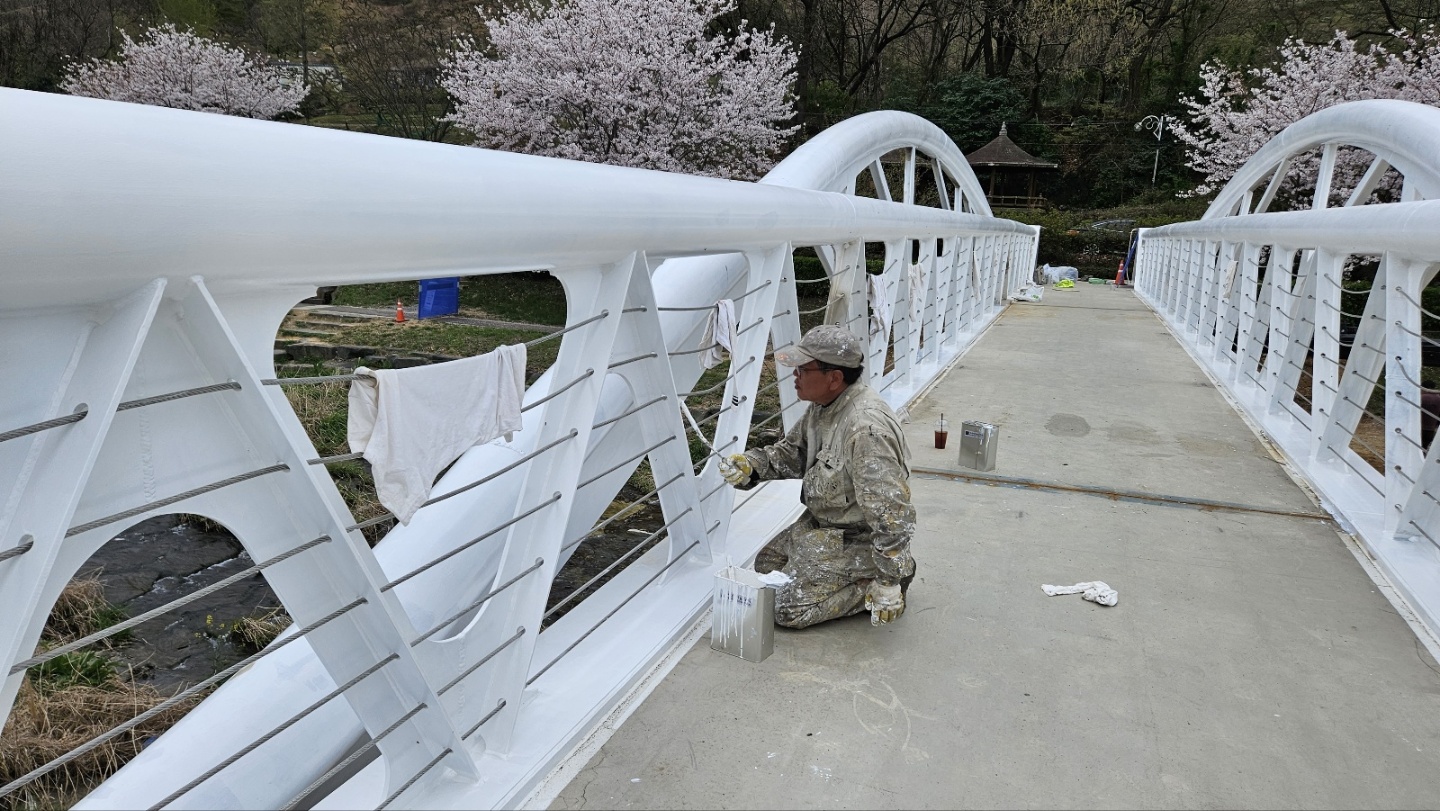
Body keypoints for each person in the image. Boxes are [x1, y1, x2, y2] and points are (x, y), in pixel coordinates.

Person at [720, 324, 917, 629]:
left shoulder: (866, 431)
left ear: (834, 378)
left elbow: (891, 516)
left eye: (803, 369)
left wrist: (888, 581)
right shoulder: (824, 406)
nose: (795, 375)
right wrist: (752, 466)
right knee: (767, 567)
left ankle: (880, 581)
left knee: (786, 608)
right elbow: (792, 453)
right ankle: (837, 569)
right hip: (823, 525)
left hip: (858, 538)